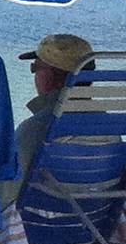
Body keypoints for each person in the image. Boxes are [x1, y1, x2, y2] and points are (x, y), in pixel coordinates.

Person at [7, 30, 94, 207]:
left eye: (35, 68)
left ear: (49, 76)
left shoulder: (38, 129)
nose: (34, 75)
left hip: (34, 228)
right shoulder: (110, 127)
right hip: (91, 226)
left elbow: (0, 196)